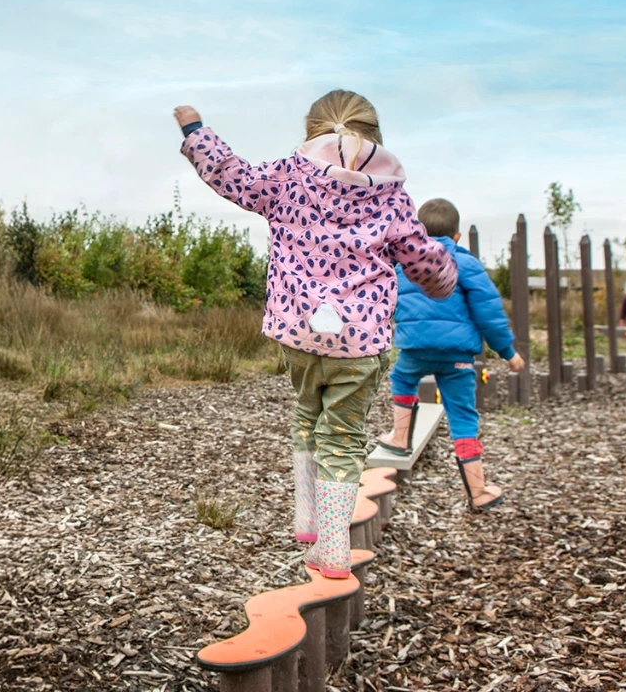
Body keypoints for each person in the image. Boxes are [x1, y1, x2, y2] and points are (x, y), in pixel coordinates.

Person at [173, 91, 457, 579]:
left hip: (298, 332)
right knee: (343, 438)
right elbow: (422, 259)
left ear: (311, 131)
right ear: (374, 134)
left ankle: (308, 520)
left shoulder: (287, 176)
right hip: (360, 341)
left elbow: (232, 174)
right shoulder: (390, 194)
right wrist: (445, 279)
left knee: (307, 411)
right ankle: (332, 548)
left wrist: (195, 131)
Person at [377, 199, 525, 512]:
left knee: (402, 379)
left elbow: (383, 301)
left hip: (415, 348)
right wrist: (508, 352)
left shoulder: (404, 263)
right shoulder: (466, 262)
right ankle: (478, 491)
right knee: (462, 416)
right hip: (458, 355)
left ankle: (401, 437)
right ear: (457, 236)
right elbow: (489, 313)